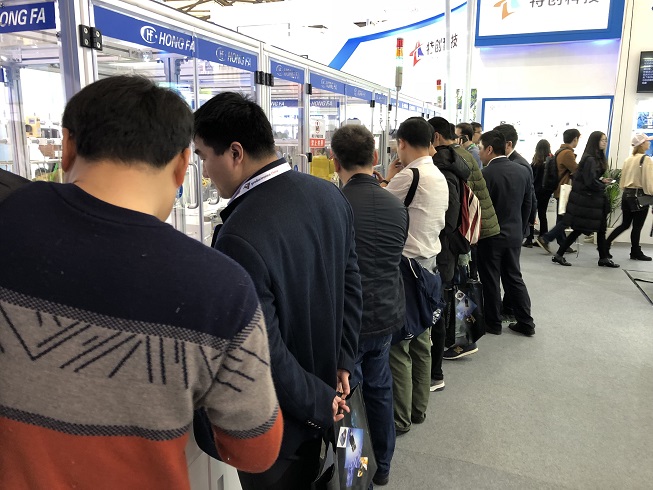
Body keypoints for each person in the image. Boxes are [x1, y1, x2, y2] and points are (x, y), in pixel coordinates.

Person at [0, 76, 283, 489]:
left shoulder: (9, 217)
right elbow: (255, 450)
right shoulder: (220, 288)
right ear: (182, 165)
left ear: (67, 146)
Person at [193, 92, 362, 489]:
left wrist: (319, 401)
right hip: (329, 390)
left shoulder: (239, 234)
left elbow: (262, 351)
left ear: (235, 153)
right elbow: (352, 285)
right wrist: (343, 360)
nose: (205, 172)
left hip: (283, 423)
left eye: (204, 157)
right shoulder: (329, 195)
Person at [331, 124, 408, 487]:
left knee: (348, 399)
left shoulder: (336, 206)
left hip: (350, 321)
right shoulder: (396, 204)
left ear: (335, 162)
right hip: (387, 313)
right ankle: (384, 464)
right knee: (379, 390)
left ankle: (355, 471)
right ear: (375, 157)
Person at [380, 117, 448, 433]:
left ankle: (400, 418)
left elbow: (380, 205)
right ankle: (418, 409)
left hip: (406, 270)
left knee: (398, 345)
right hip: (429, 265)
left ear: (402, 143)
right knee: (421, 340)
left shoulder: (410, 176)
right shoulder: (436, 174)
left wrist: (388, 177)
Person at [477, 130, 536, 337]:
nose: (479, 153)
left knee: (490, 279)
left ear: (489, 149)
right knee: (514, 277)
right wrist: (521, 229)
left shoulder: (485, 175)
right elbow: (528, 204)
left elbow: (479, 209)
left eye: (480, 148)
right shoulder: (522, 171)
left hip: (490, 236)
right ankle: (526, 322)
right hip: (514, 233)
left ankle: (493, 323)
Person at [428, 117, 476, 364]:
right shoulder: (460, 158)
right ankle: (464, 337)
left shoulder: (442, 166)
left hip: (448, 241)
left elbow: (449, 213)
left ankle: (461, 340)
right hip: (461, 237)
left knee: (448, 292)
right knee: (458, 286)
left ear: (435, 137)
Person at [551, 131, 619, 268]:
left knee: (600, 229)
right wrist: (601, 184)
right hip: (588, 201)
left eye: (605, 140)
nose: (605, 143)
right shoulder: (590, 159)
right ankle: (559, 254)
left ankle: (603, 257)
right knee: (580, 228)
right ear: (595, 141)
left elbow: (591, 178)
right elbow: (589, 181)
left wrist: (601, 180)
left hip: (592, 200)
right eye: (602, 140)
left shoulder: (595, 157)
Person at [605, 134, 653, 261]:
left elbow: (622, 182)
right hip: (640, 197)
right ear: (641, 144)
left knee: (625, 224)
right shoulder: (646, 159)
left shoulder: (628, 159)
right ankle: (635, 252)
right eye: (647, 141)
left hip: (627, 195)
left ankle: (605, 245)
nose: (649, 143)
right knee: (637, 227)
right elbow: (649, 182)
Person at [535, 129, 581, 254]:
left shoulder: (560, 151)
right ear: (575, 139)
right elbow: (577, 171)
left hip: (560, 189)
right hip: (565, 189)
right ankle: (546, 238)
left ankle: (562, 243)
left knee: (561, 218)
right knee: (566, 219)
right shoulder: (567, 153)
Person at [524, 139, 552, 246]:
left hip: (535, 191)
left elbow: (532, 177)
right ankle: (543, 238)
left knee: (531, 214)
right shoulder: (550, 160)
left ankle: (529, 238)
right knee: (542, 214)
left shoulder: (536, 161)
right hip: (546, 192)